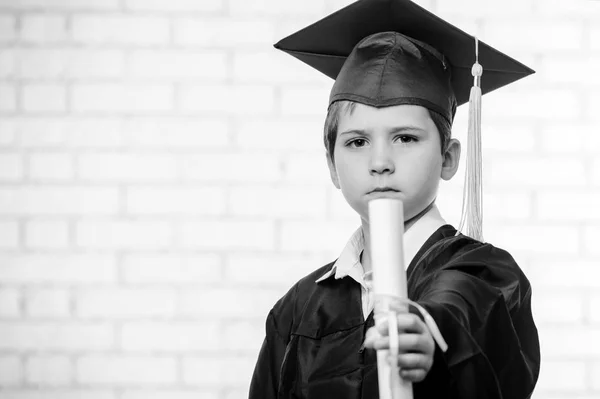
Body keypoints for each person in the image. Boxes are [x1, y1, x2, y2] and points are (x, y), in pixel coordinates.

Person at [248, 0, 540, 398]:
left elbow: (462, 308)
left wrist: (430, 331)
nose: (380, 162)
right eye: (356, 142)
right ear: (332, 167)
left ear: (449, 158)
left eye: (405, 138)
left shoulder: (484, 274)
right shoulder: (297, 308)